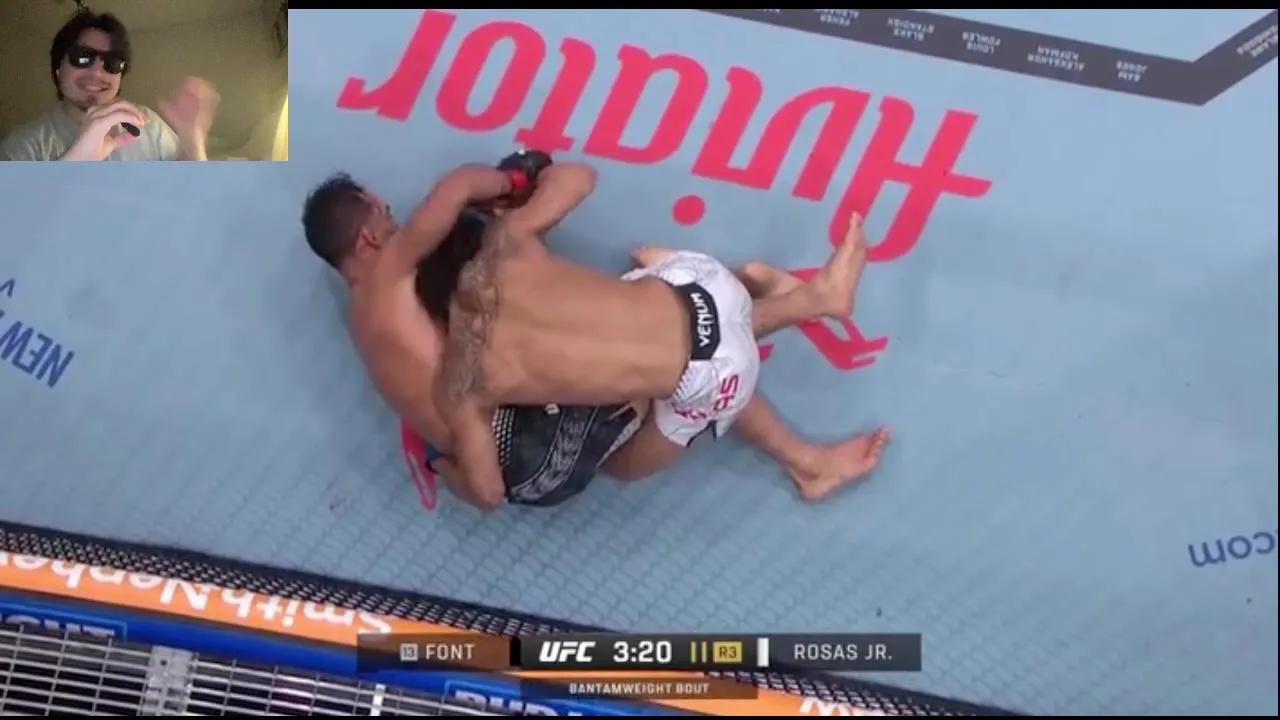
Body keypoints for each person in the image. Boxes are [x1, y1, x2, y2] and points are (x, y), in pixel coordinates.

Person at [301, 156, 889, 511]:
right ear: (367, 236)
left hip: (696, 372)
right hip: (699, 291)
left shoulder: (429, 361)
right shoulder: (501, 247)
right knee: (642, 330)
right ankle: (799, 301)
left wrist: (444, 470)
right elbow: (461, 189)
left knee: (631, 426)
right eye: (384, 215)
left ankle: (805, 318)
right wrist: (512, 179)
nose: (398, 222)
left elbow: (486, 491)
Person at [0, 10, 218, 162]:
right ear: (58, 69)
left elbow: (192, 189)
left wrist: (192, 139)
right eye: (82, 57)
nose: (97, 72)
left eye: (112, 62)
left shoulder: (148, 124)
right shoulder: (24, 147)